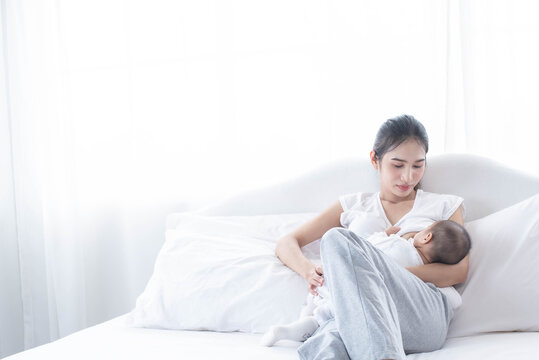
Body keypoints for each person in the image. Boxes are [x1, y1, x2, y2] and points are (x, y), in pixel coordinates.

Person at [274, 115, 469, 360]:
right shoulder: (353, 205)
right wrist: (308, 270)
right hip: (356, 316)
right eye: (397, 165)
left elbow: (458, 271)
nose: (408, 177)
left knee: (339, 240)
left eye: (418, 166)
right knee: (328, 340)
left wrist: (369, 274)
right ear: (375, 160)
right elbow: (286, 243)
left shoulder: (445, 206)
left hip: (421, 314)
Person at [262, 220, 471, 347]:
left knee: (319, 303)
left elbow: (367, 248)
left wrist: (386, 234)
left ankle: (301, 323)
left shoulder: (397, 243)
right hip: (370, 306)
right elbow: (454, 299)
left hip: (341, 285)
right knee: (330, 319)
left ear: (426, 237)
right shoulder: (425, 277)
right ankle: (308, 326)